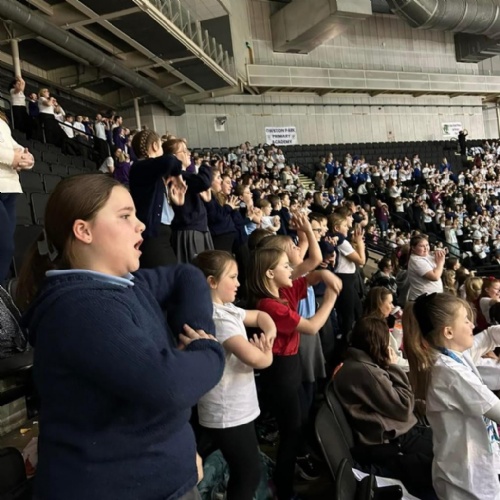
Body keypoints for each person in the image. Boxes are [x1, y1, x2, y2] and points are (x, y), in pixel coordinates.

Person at [15, 174, 225, 500]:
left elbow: (187, 276)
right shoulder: (81, 308)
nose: (141, 225)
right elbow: (169, 385)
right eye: (125, 216)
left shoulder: (124, 284)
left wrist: (196, 330)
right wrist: (208, 350)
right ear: (83, 231)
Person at [248, 247, 342, 500]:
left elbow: (309, 278)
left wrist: (324, 274)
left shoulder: (281, 291)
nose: (292, 270)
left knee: (298, 424)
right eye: (286, 266)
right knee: (291, 430)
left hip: (291, 364)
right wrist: (330, 299)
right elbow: (311, 327)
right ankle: (284, 489)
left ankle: (289, 476)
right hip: (280, 370)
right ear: (270, 273)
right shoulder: (269, 305)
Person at [193, 250, 276, 500]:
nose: (239, 283)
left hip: (237, 409)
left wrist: (269, 334)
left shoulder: (227, 309)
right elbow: (255, 359)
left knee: (247, 469)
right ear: (212, 282)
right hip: (227, 412)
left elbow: (260, 316)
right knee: (247, 473)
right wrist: (267, 354)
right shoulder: (217, 318)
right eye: (233, 277)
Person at [404, 293, 500, 500]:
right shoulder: (450, 372)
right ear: (448, 332)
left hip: (467, 472)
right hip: (467, 482)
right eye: (465, 320)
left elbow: (490, 336)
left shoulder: (451, 356)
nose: (472, 325)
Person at [334, 316, 433, 497]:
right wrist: (393, 366)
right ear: (378, 344)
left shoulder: (356, 364)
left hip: (394, 431)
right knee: (441, 452)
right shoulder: (367, 372)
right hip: (392, 438)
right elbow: (403, 408)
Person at [129, 129, 187, 267]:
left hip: (163, 233)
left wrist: (176, 201)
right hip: (153, 237)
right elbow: (171, 160)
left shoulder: (153, 172)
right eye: (161, 145)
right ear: (155, 146)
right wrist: (178, 175)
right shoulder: (140, 167)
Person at [163, 138, 214, 263]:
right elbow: (204, 181)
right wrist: (205, 165)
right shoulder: (178, 176)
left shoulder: (184, 175)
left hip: (197, 227)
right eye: (184, 151)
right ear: (173, 157)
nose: (189, 154)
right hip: (188, 229)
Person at [0, 112, 35, 283]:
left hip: (11, 188)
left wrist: (28, 159)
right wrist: (11, 157)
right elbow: (12, 154)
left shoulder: (2, 121)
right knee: (4, 247)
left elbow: (18, 148)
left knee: (6, 248)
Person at [362, 287, 407, 370]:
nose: (392, 306)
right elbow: (387, 358)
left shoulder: (372, 323)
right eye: (390, 303)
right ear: (380, 304)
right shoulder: (374, 327)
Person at [407, 234, 445, 301]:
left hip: (432, 297)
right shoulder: (416, 260)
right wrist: (440, 263)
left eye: (427, 245)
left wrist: (439, 252)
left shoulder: (425, 255)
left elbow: (437, 255)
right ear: (413, 248)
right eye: (422, 246)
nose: (426, 248)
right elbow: (435, 277)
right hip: (424, 299)